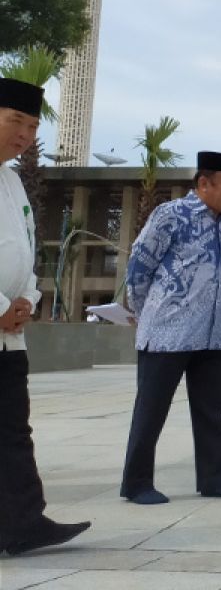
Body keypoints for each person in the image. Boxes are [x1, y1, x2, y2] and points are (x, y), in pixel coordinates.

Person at [120, 151, 221, 505]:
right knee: (151, 410)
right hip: (167, 333)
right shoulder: (170, 215)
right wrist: (149, 315)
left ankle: (214, 479)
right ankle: (136, 483)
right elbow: (139, 268)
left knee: (211, 410)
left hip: (214, 333)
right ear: (203, 183)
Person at [0, 78, 91, 555]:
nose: (25, 134)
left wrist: (27, 300)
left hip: (8, 336)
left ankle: (23, 523)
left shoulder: (12, 179)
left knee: (13, 430)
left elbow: (25, 249)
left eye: (33, 126)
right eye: (16, 121)